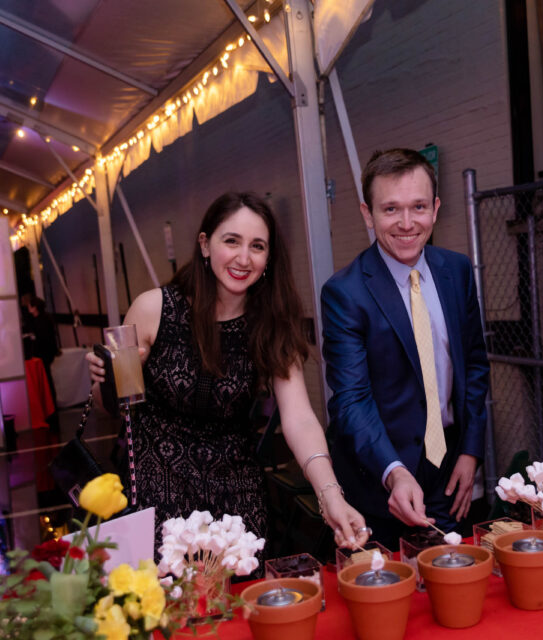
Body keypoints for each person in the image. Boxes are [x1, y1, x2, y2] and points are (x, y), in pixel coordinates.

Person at [87, 191, 369, 561]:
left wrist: (331, 495)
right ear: (205, 245)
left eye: (257, 246)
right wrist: (106, 377)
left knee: (241, 607)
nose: (243, 258)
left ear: (268, 258)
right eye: (231, 241)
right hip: (157, 493)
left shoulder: (270, 322)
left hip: (236, 496)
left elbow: (299, 417)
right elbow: (113, 407)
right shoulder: (155, 307)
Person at [321, 148, 489, 550]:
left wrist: (470, 451)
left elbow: (476, 366)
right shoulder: (345, 293)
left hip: (447, 472)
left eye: (418, 207)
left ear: (435, 208)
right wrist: (393, 471)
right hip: (378, 482)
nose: (407, 223)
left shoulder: (457, 271)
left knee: (455, 587)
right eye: (391, 209)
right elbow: (350, 401)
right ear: (368, 214)